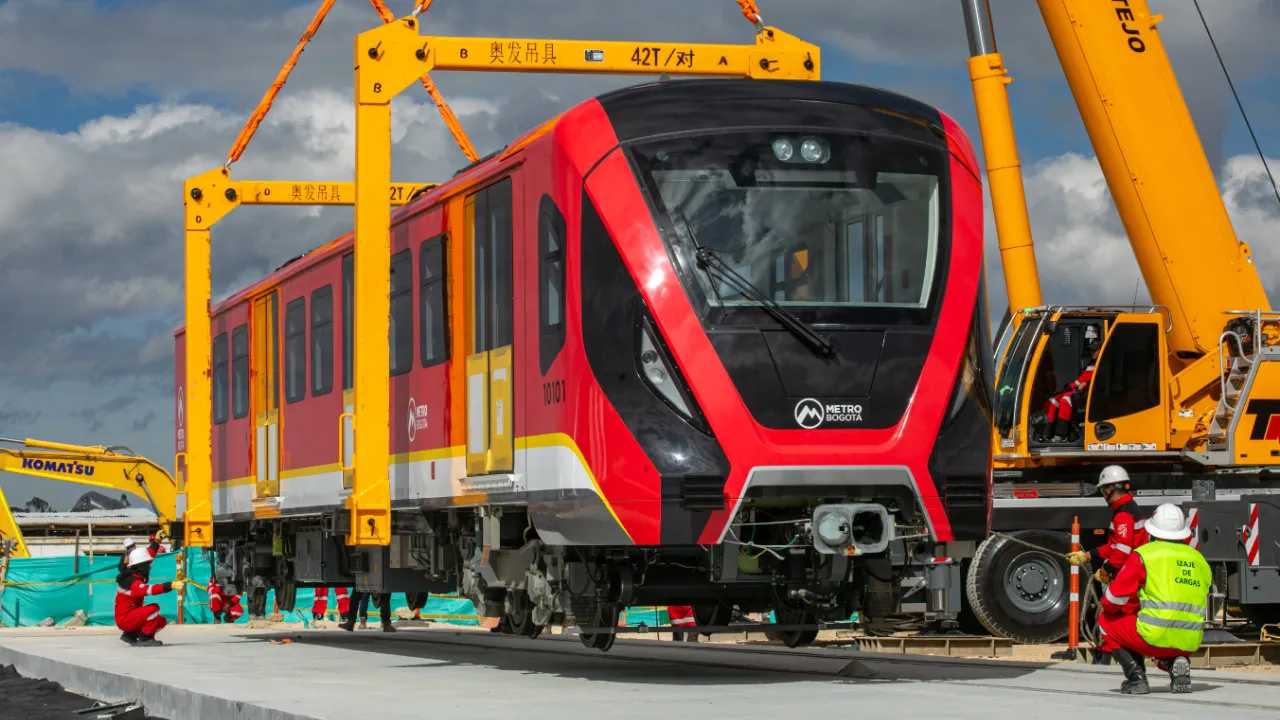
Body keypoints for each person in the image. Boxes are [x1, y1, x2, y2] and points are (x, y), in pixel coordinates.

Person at [1097, 503, 1210, 695]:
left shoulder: (1144, 555)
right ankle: (1174, 663)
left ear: (1153, 530)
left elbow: (1113, 599)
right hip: (1190, 640)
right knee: (1164, 635)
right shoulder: (1199, 560)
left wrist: (1110, 607)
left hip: (1155, 636)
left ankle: (1136, 678)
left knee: (1105, 622)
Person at [1068, 466, 1151, 584]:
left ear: (1109, 490)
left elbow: (1122, 551)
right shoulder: (1130, 507)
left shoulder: (1123, 515)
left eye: (1103, 490)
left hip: (1131, 574)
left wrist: (1106, 570)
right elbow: (1115, 546)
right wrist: (1087, 555)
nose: (1103, 495)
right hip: (1136, 570)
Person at [114, 546, 184, 647]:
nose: (149, 567)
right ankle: (145, 638)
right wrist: (170, 585)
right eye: (147, 565)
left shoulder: (132, 575)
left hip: (129, 616)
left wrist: (156, 543)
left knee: (160, 621)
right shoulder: (132, 581)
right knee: (154, 609)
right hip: (125, 620)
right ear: (140, 566)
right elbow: (148, 590)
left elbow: (147, 556)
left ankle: (130, 635)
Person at [1043, 338, 1099, 442]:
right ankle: (1046, 434)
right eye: (1091, 350)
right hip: (1079, 392)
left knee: (1065, 400)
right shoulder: (1091, 364)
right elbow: (1080, 381)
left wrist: (1086, 384)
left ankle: (1061, 435)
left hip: (1090, 394)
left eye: (1095, 350)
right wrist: (1068, 386)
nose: (1093, 352)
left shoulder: (1102, 364)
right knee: (1051, 401)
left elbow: (1100, 381)